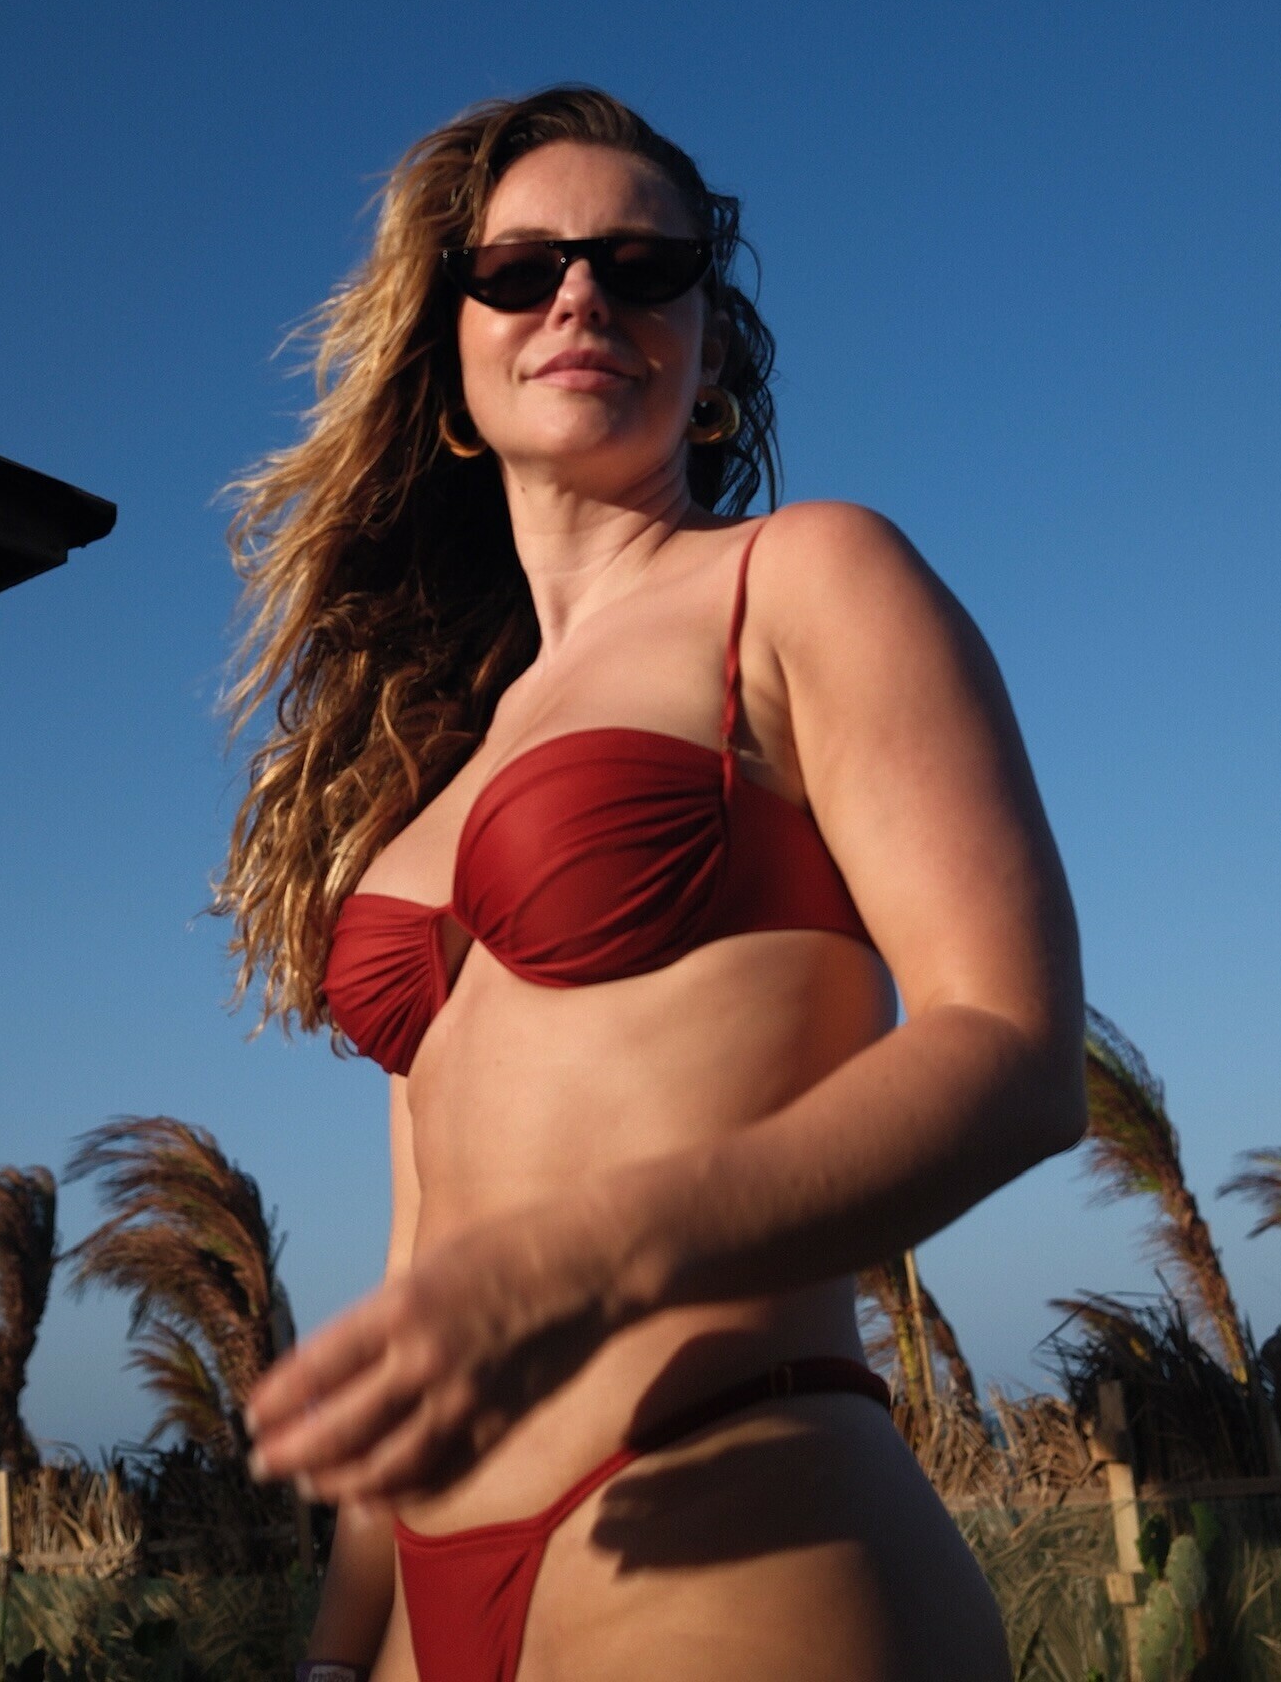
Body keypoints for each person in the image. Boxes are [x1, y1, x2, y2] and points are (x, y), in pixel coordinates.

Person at [219, 86, 1086, 1682]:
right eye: (518, 270)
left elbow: (1016, 1052)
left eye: (639, 265)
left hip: (735, 1507)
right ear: (454, 374)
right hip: (424, 1600)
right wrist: (339, 1647)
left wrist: (589, 1254)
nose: (579, 297)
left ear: (707, 354)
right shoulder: (433, 772)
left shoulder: (804, 577)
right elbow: (428, 1261)